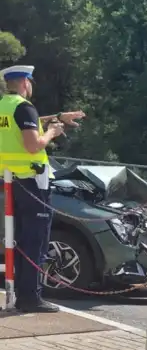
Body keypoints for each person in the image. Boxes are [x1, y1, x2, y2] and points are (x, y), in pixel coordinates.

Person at [0, 64, 85, 312]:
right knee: (35, 241)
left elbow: (24, 124)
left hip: (11, 181)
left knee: (20, 239)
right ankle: (30, 298)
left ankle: (23, 294)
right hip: (32, 182)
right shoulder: (24, 106)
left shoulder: (5, 106)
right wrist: (51, 133)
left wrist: (58, 116)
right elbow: (32, 144)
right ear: (26, 82)